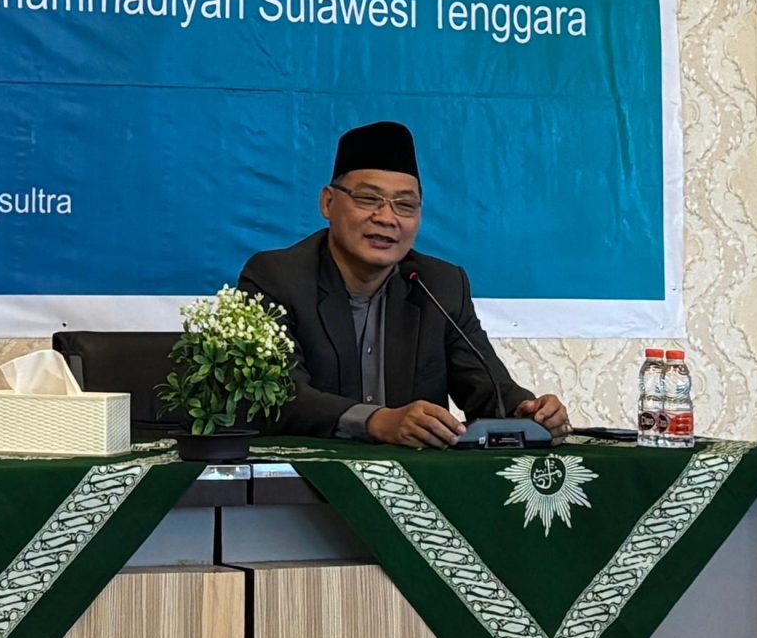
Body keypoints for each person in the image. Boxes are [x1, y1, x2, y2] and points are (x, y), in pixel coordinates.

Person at [235, 120, 568, 445]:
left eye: (405, 205)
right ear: (328, 202)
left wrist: (530, 414)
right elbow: (276, 398)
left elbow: (490, 391)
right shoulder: (276, 278)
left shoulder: (441, 285)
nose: (386, 218)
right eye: (368, 199)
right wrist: (375, 421)